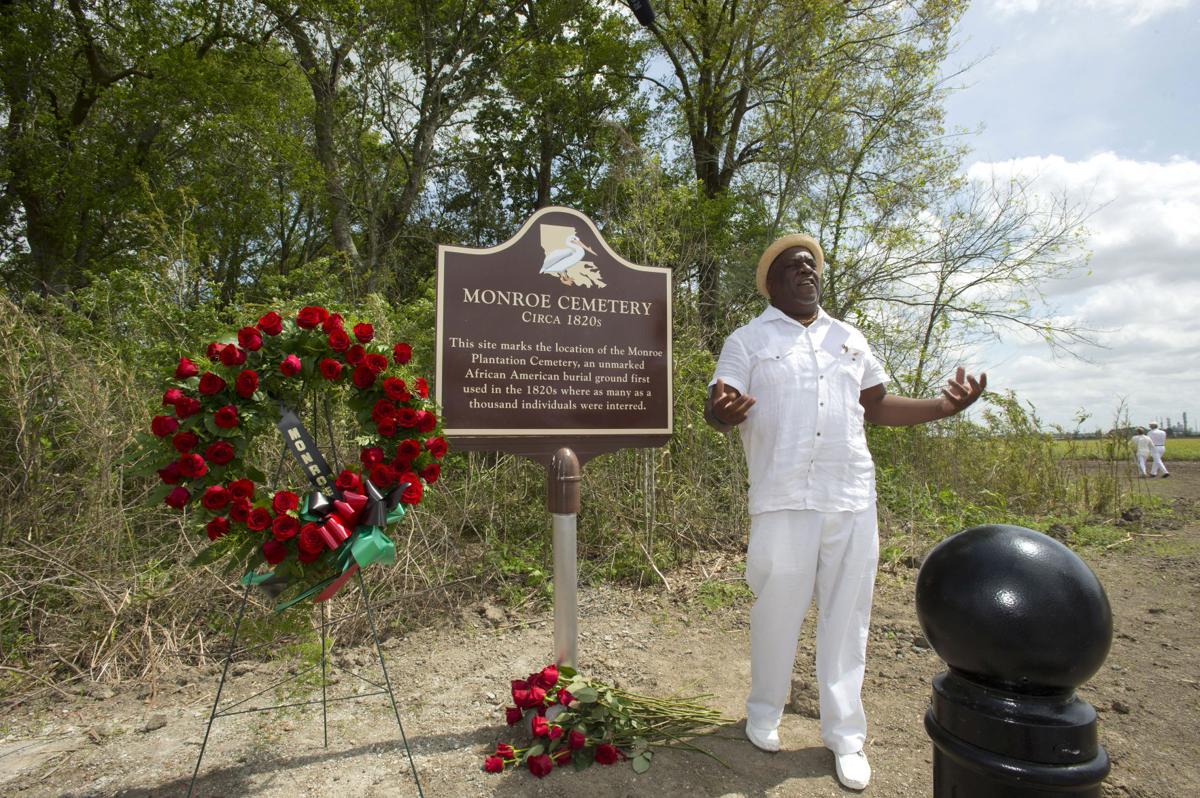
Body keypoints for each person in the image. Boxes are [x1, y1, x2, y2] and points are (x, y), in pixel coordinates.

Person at [704, 234, 986, 792]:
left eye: (812, 265)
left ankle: (845, 736)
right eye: (794, 265)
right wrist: (722, 414)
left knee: (848, 618)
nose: (807, 271)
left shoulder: (849, 338)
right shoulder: (747, 340)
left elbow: (875, 406)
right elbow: (720, 402)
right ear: (771, 282)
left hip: (852, 495)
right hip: (783, 497)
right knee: (776, 611)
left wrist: (943, 407)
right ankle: (764, 711)